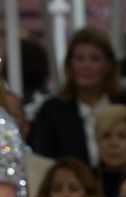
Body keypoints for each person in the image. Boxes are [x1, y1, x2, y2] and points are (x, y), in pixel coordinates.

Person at [28, 28, 119, 167]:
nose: (86, 66)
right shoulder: (51, 112)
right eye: (79, 59)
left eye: (95, 59)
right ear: (69, 64)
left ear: (109, 65)